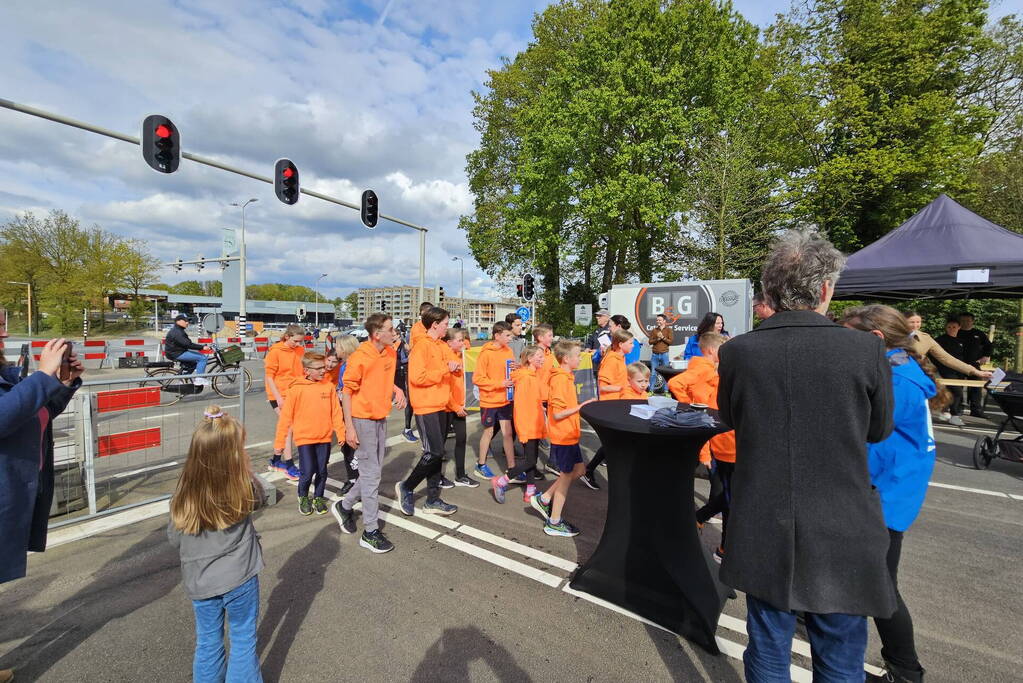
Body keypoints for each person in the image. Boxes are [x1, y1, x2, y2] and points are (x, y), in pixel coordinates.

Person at [716, 229, 896, 682]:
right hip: (841, 522)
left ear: (770, 290)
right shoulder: (865, 348)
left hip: (764, 516)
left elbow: (730, 417)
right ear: (825, 289)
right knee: (839, 656)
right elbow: (878, 429)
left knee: (769, 647)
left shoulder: (739, 351)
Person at [841, 305, 945, 683]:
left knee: (882, 589)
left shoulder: (895, 379)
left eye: (847, 334)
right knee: (873, 580)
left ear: (874, 338)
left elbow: (864, 436)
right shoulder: (898, 368)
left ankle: (904, 670)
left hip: (885, 496)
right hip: (891, 491)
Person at [167, 406, 273, 683]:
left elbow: (173, 537)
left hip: (200, 582)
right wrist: (247, 471)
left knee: (208, 642)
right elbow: (263, 497)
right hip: (240, 578)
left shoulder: (182, 495)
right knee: (243, 641)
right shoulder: (244, 489)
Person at [331, 313, 407, 554]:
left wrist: (396, 390)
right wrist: (350, 427)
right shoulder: (360, 357)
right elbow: (347, 393)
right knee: (372, 475)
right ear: (377, 334)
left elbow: (381, 378)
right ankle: (370, 531)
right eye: (389, 329)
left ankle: (345, 505)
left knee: (372, 472)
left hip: (379, 417)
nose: (394, 332)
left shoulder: (390, 352)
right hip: (361, 420)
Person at [669, 332, 734, 562]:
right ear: (711, 350)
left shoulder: (709, 369)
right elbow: (675, 383)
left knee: (728, 495)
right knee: (729, 496)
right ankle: (723, 548)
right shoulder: (704, 368)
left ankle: (712, 533)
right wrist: (694, 409)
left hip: (725, 438)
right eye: (721, 349)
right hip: (721, 441)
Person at [395, 306, 460, 517]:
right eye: (445, 324)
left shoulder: (439, 345)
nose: (447, 328)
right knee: (434, 452)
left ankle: (432, 499)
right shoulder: (422, 346)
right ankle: (407, 486)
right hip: (426, 406)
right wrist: (445, 369)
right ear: (434, 324)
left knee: (437, 455)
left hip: (440, 405)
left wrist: (453, 366)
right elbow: (417, 378)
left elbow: (449, 368)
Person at [529, 340, 595, 537]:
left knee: (580, 470)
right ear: (566, 359)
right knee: (565, 477)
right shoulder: (559, 379)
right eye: (577, 355)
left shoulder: (566, 376)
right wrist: (582, 406)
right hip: (562, 436)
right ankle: (554, 522)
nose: (581, 357)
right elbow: (557, 414)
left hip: (570, 434)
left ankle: (545, 498)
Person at [275, 352, 345, 517]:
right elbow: (285, 419)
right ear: (306, 371)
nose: (323, 370)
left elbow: (336, 412)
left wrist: (341, 433)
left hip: (324, 437)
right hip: (305, 438)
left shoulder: (328, 387)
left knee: (322, 471)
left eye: (324, 367)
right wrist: (279, 443)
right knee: (307, 471)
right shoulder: (296, 389)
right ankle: (303, 496)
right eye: (319, 368)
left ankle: (318, 497)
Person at [492, 345, 547, 503]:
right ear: (529, 359)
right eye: (539, 356)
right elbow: (521, 405)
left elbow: (534, 399)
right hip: (528, 423)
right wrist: (523, 428)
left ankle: (530, 490)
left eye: (542, 356)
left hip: (534, 421)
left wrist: (540, 406)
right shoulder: (524, 377)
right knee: (530, 460)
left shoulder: (532, 375)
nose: (542, 359)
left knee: (532, 458)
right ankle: (501, 481)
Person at [472, 321, 516, 480]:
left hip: (505, 400)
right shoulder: (486, 353)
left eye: (511, 335)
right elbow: (477, 378)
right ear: (497, 336)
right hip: (489, 401)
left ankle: (512, 468)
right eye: (507, 335)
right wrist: (499, 384)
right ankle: (481, 464)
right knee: (488, 432)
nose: (510, 338)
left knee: (508, 434)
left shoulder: (508, 351)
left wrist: (515, 374)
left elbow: (509, 372)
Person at [264, 325, 306, 481]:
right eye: (296, 341)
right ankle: (289, 465)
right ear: (287, 337)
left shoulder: (300, 351)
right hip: (278, 394)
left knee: (287, 428)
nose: (298, 344)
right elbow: (269, 377)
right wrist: (278, 397)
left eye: (301, 342)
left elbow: (302, 372)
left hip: (295, 393)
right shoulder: (275, 352)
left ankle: (276, 460)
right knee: (288, 427)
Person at [443, 327, 478, 488]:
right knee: (439, 445)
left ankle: (461, 474)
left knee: (462, 439)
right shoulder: (445, 358)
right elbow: (445, 389)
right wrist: (455, 406)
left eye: (463, 339)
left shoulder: (463, 356)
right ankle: (437, 477)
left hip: (460, 406)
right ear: (449, 342)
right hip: (446, 407)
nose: (463, 342)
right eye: (459, 340)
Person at [333, 335, 361, 496]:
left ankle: (354, 480)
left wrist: (342, 394)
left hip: (351, 412)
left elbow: (348, 392)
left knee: (350, 447)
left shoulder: (350, 366)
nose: (336, 349)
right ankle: (353, 479)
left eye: (337, 346)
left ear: (344, 348)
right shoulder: (345, 365)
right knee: (347, 448)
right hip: (348, 410)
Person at [956, 312, 994, 418]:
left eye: (968, 320)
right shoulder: (955, 332)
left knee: (976, 388)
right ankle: (957, 409)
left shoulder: (978, 333)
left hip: (974, 364)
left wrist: (985, 357)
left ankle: (976, 410)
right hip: (957, 364)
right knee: (957, 387)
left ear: (972, 321)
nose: (965, 323)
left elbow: (989, 346)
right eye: (963, 321)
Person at [164, 314, 211, 385]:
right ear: (178, 321)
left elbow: (187, 343)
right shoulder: (177, 332)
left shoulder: (178, 330)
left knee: (194, 362)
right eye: (185, 321)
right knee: (202, 358)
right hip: (177, 353)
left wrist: (200, 347)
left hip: (177, 352)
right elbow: (188, 344)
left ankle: (184, 376)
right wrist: (202, 347)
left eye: (188, 321)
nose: (187, 322)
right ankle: (199, 379)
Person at [395, 331, 418, 443]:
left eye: (394, 334)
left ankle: (408, 429)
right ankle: (407, 429)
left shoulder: (401, 344)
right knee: (409, 401)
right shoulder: (400, 345)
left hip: (406, 372)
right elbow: (403, 360)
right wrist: (411, 355)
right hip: (403, 374)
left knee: (412, 401)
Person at [597, 329, 633, 400]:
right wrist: (625, 388)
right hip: (611, 403)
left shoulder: (621, 358)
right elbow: (603, 387)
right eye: (630, 343)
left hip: (619, 401)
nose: (633, 346)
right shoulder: (612, 360)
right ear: (621, 344)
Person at [647, 314, 673, 394]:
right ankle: (651, 391)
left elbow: (670, 342)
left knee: (666, 374)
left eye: (660, 320)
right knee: (653, 374)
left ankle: (666, 391)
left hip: (664, 354)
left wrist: (663, 337)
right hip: (655, 354)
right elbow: (650, 342)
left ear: (664, 321)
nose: (658, 321)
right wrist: (658, 338)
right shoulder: (654, 330)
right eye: (657, 320)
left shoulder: (669, 330)